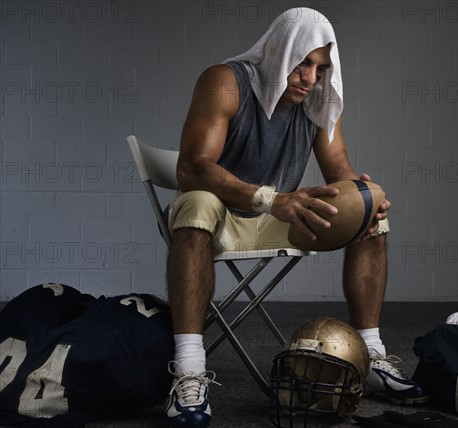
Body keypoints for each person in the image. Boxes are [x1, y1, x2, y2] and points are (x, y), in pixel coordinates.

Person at [165, 7, 426, 428]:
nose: (310, 77)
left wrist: (361, 196)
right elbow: (192, 168)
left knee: (371, 219)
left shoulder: (319, 100)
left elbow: (337, 167)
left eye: (320, 68)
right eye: (302, 63)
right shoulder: (225, 82)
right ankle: (190, 370)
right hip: (223, 215)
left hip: (278, 212)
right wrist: (270, 198)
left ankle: (372, 355)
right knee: (196, 203)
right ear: (278, 52)